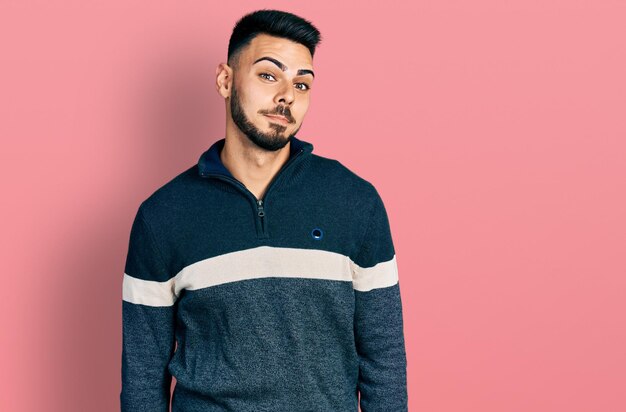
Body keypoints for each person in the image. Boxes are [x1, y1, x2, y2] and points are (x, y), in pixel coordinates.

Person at [120, 8, 408, 412]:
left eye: (302, 84)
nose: (286, 96)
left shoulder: (355, 202)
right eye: (269, 75)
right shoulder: (163, 216)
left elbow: (385, 362)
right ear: (225, 79)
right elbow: (142, 382)